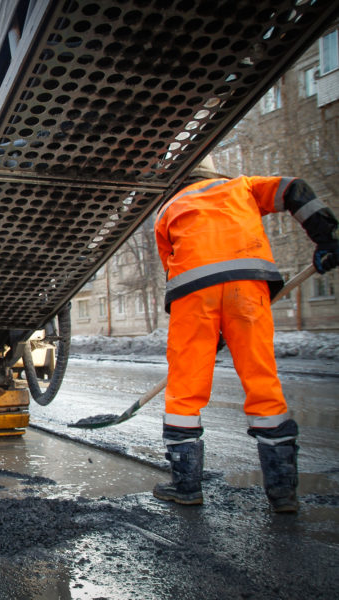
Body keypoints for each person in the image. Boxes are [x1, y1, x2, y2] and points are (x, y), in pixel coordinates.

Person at [152, 156, 339, 512]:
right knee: (262, 383)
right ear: (213, 172)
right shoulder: (243, 187)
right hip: (248, 285)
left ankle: (187, 487)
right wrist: (327, 238)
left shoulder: (168, 209)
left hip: (193, 295)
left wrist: (207, 329)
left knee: (185, 390)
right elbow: (295, 189)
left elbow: (172, 269)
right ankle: (283, 494)